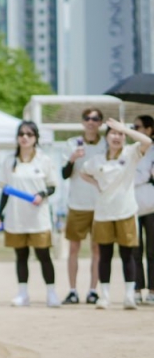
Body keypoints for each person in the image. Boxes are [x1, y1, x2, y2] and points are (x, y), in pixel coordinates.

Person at [80, 118, 152, 310]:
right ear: (107, 137)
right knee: (105, 255)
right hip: (103, 213)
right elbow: (83, 172)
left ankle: (129, 296)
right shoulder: (97, 160)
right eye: (113, 133)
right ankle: (104, 296)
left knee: (128, 255)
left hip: (126, 212)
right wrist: (95, 183)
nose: (117, 137)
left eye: (120, 134)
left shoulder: (131, 153)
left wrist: (125, 129)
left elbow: (147, 141)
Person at [0, 121, 59, 307]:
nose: (25, 137)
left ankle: (51, 293)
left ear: (36, 138)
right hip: (16, 216)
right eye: (21, 134)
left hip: (38, 217)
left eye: (29, 134)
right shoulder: (9, 161)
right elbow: (5, 190)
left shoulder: (44, 160)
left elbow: (52, 186)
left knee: (43, 255)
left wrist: (42, 194)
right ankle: (23, 294)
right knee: (21, 256)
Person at [61, 109, 106, 305]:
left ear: (101, 123)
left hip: (100, 204)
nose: (91, 122)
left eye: (95, 119)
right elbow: (64, 174)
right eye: (87, 118)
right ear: (82, 122)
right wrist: (72, 158)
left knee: (97, 249)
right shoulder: (72, 143)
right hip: (77, 204)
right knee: (73, 248)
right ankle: (72, 290)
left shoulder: (106, 144)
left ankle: (93, 291)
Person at [131, 115, 154, 303]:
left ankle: (153, 290)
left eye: (137, 127)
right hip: (132, 204)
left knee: (152, 250)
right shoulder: (130, 149)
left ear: (148, 129)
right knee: (135, 250)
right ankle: (137, 288)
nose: (134, 130)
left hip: (151, 204)